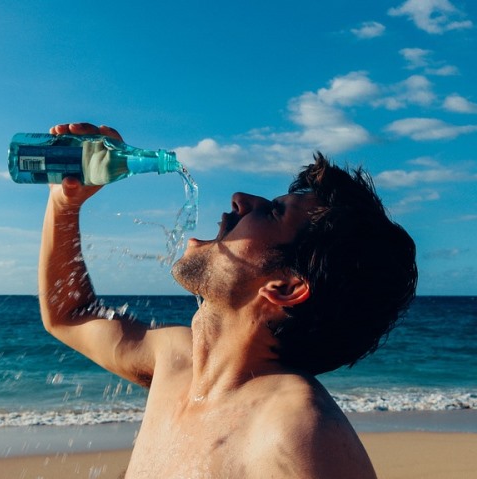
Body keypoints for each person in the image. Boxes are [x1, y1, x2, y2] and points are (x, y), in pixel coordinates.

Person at [38, 122, 417, 478]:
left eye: (272, 212)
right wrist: (64, 204)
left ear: (285, 287)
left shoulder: (297, 430)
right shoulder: (175, 360)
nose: (240, 199)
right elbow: (69, 315)